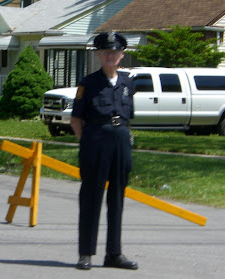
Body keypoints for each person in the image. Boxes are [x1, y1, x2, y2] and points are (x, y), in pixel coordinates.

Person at [70, 32, 138, 271]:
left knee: (117, 198)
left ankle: (114, 254)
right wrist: (87, 143)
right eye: (106, 52)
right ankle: (85, 253)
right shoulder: (88, 83)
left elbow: (129, 115)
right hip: (95, 140)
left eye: (115, 52)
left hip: (120, 140)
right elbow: (76, 120)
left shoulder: (128, 82)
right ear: (98, 54)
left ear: (122, 55)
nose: (111, 55)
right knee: (91, 197)